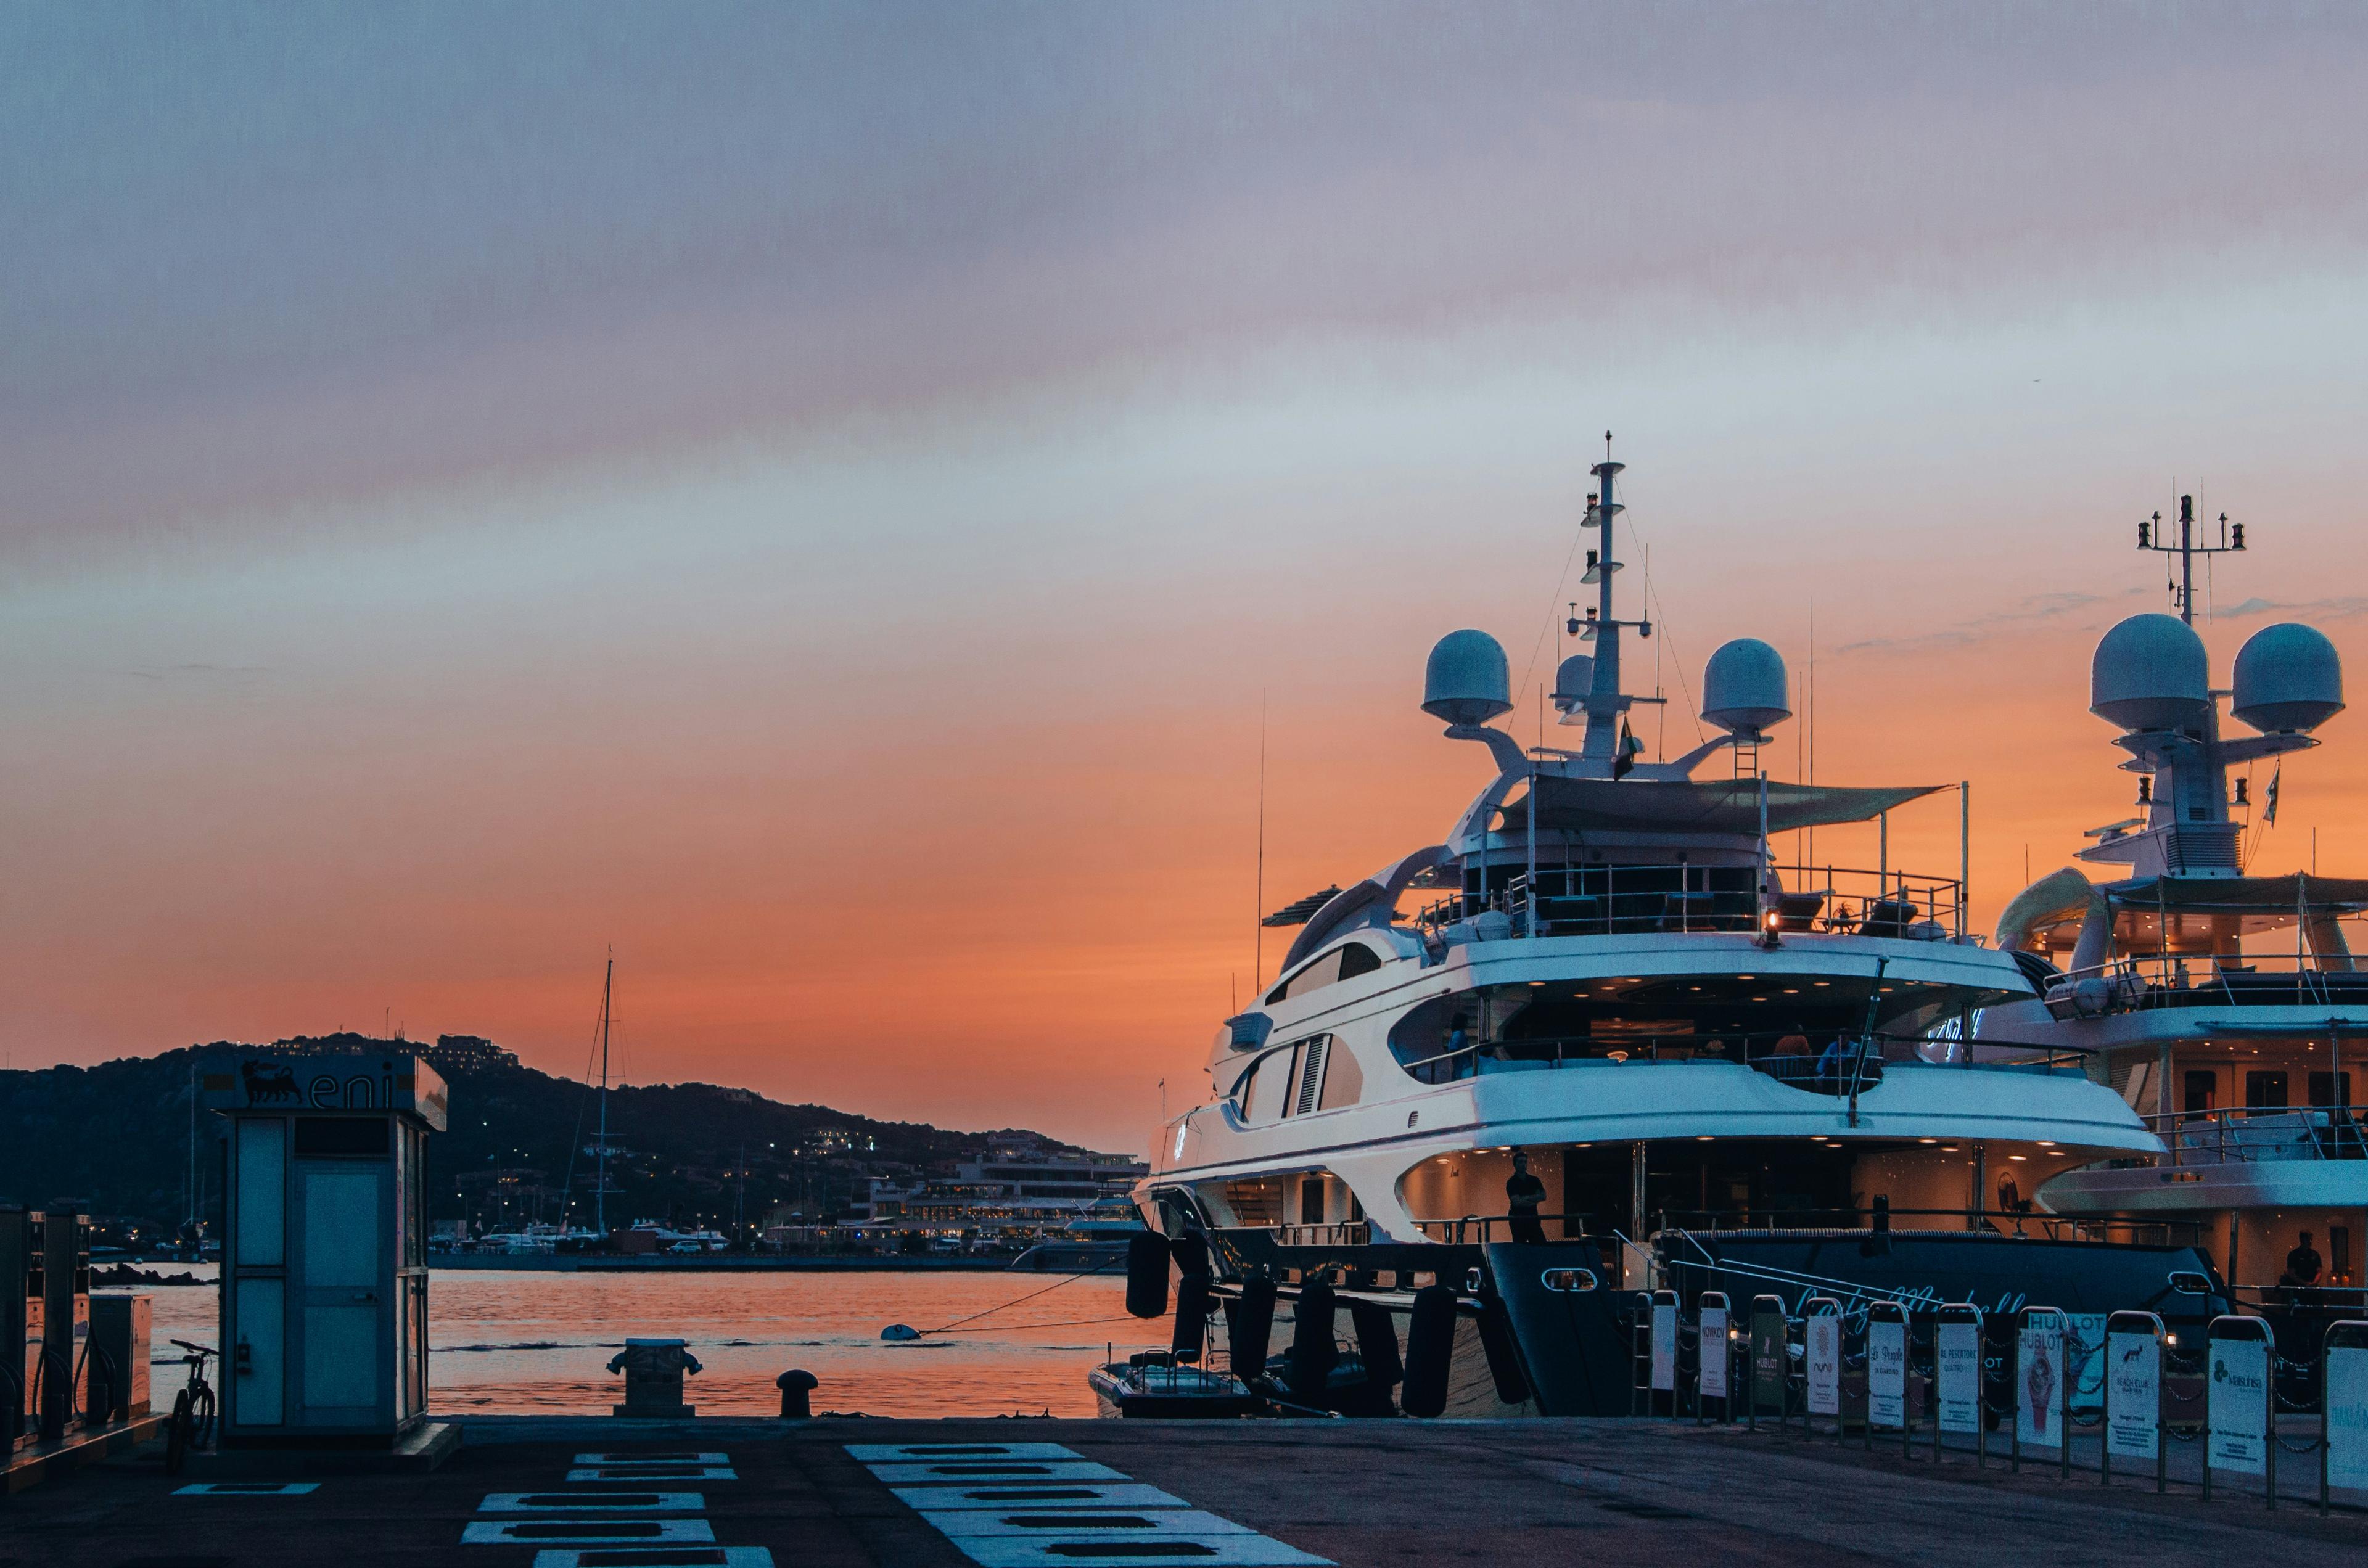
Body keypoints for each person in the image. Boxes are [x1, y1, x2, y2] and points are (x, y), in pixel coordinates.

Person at [1504, 1151, 1548, 1245]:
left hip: (1531, 1219)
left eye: (1525, 1162)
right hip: (1518, 1221)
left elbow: (1543, 1196)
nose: (1524, 1164)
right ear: (1515, 1165)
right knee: (1522, 1247)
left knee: (1540, 1245)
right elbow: (1517, 1202)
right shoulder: (1512, 1182)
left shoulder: (1534, 1180)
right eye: (1521, 1162)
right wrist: (1534, 1199)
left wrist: (1525, 1198)